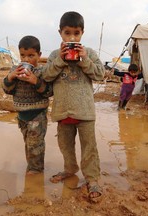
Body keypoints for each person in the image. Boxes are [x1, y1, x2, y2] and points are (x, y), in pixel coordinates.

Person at [42, 11, 105, 202]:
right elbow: (46, 76)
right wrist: (61, 60)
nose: (71, 37)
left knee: (89, 148)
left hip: (85, 112)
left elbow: (100, 74)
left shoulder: (90, 53)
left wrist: (84, 59)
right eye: (67, 33)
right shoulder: (54, 55)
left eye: (76, 33)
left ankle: (92, 178)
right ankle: (70, 170)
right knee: (66, 146)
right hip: (62, 112)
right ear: (60, 32)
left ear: (82, 33)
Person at [2, 35, 52, 175]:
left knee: (35, 144)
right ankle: (32, 165)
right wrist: (10, 77)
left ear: (39, 55)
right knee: (28, 143)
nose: (26, 60)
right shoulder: (15, 70)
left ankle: (36, 171)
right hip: (22, 116)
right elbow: (7, 90)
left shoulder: (42, 72)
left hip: (38, 115)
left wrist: (35, 81)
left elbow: (49, 92)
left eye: (31, 55)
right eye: (23, 56)